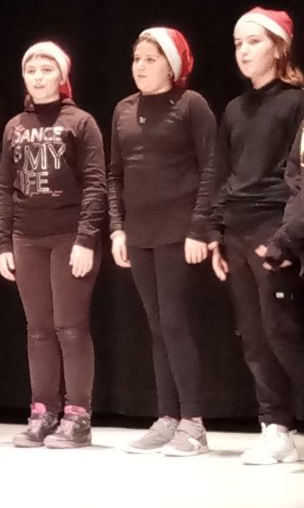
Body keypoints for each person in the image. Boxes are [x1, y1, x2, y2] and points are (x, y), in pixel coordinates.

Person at [109, 28, 216, 456]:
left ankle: (193, 421)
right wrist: (117, 228)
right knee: (156, 327)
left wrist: (199, 228)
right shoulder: (123, 109)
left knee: (174, 323)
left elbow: (211, 168)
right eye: (136, 58)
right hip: (139, 233)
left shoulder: (192, 105)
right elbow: (115, 175)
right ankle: (167, 416)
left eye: (150, 59)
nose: (140, 66)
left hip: (178, 231)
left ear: (171, 66)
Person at [0, 42, 105, 448]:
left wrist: (86, 239)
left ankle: (78, 416)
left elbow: (95, 183)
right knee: (38, 329)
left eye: (46, 70)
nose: (38, 77)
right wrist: (2, 242)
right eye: (31, 70)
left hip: (69, 236)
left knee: (70, 327)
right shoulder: (14, 126)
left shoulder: (81, 122)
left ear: (61, 76)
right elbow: (4, 187)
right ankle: (43, 412)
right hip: (27, 237)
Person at [209, 7, 304, 466]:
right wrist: (215, 230)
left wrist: (286, 238)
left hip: (276, 226)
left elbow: (297, 175)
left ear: (278, 48)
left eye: (253, 41)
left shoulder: (296, 102)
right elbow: (222, 172)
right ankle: (275, 426)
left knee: (283, 331)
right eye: (237, 43)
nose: (243, 51)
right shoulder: (234, 108)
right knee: (253, 335)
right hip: (238, 228)